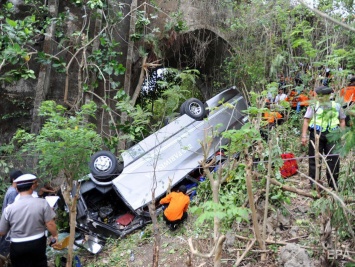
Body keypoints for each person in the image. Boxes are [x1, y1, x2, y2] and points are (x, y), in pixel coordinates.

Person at [0, 174, 58, 267]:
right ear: (32, 187)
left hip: (17, 246)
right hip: (37, 243)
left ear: (17, 189)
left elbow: (2, 231)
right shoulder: (42, 203)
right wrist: (55, 236)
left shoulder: (9, 209)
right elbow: (50, 223)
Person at [301, 86, 346, 190]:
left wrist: (342, 134)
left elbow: (342, 120)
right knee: (314, 158)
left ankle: (333, 184)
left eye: (324, 96)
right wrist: (304, 136)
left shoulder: (337, 106)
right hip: (316, 135)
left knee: (333, 159)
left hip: (333, 135)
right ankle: (314, 184)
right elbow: (306, 120)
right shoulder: (313, 106)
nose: (321, 98)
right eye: (320, 95)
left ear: (329, 96)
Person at [0, 170, 23, 258]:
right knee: (4, 252)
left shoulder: (11, 190)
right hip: (9, 226)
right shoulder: (13, 192)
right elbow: (12, 211)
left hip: (7, 225)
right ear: (14, 179)